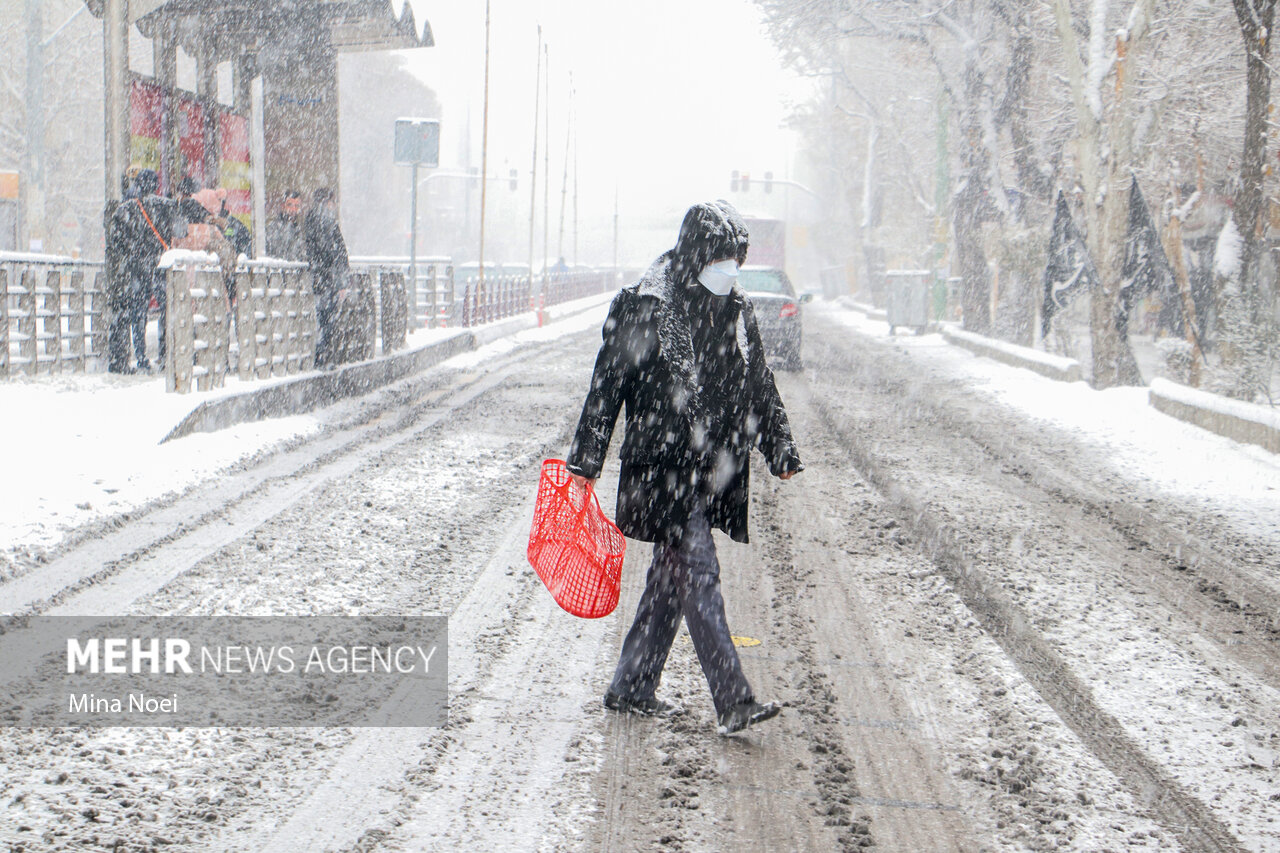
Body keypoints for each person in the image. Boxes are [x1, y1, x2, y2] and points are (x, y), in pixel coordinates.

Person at [566, 200, 803, 735]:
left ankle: (631, 685)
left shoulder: (734, 309)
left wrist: (779, 446)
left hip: (705, 463)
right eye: (722, 259)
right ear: (698, 253)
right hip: (660, 468)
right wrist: (586, 458)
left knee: (671, 581)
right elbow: (608, 385)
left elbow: (758, 382)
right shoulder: (644, 306)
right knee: (699, 570)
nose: (731, 270)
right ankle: (733, 698)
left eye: (736, 260)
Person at [105, 169, 178, 373]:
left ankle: (141, 356)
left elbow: (116, 239)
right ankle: (167, 353)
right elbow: (179, 231)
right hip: (161, 265)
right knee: (168, 310)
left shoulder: (125, 209)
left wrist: (133, 251)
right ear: (155, 185)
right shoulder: (165, 205)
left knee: (138, 312)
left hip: (138, 268)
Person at [304, 187, 350, 368]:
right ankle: (323, 357)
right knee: (326, 320)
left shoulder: (313, 220)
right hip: (325, 281)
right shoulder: (326, 222)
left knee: (322, 320)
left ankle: (321, 356)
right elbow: (337, 253)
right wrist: (340, 281)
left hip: (320, 280)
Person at [266, 189, 306, 261]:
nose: (293, 209)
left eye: (297, 206)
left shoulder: (301, 230)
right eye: (289, 205)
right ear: (283, 206)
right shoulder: (273, 228)